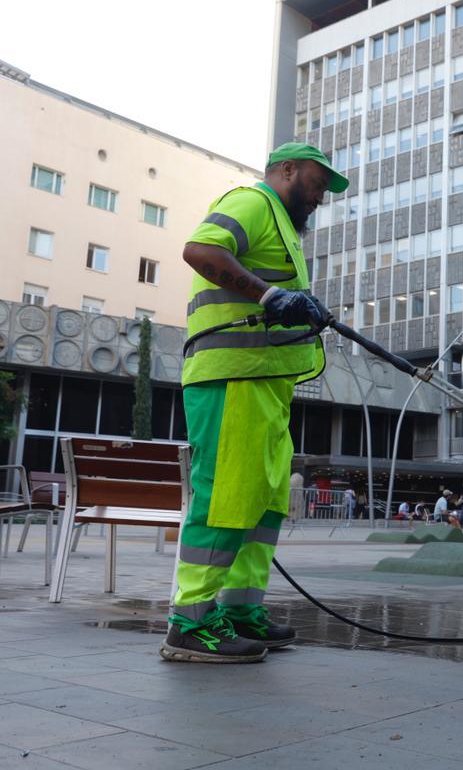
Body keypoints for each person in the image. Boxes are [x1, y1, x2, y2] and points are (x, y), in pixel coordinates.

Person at [161, 142, 347, 664]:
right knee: (224, 496)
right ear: (286, 170)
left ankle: (241, 611)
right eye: (315, 182)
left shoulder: (284, 227)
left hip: (264, 384)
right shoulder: (251, 201)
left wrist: (295, 304)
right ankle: (190, 621)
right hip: (231, 378)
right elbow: (201, 250)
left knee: (262, 503)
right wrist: (271, 297)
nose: (319, 197)